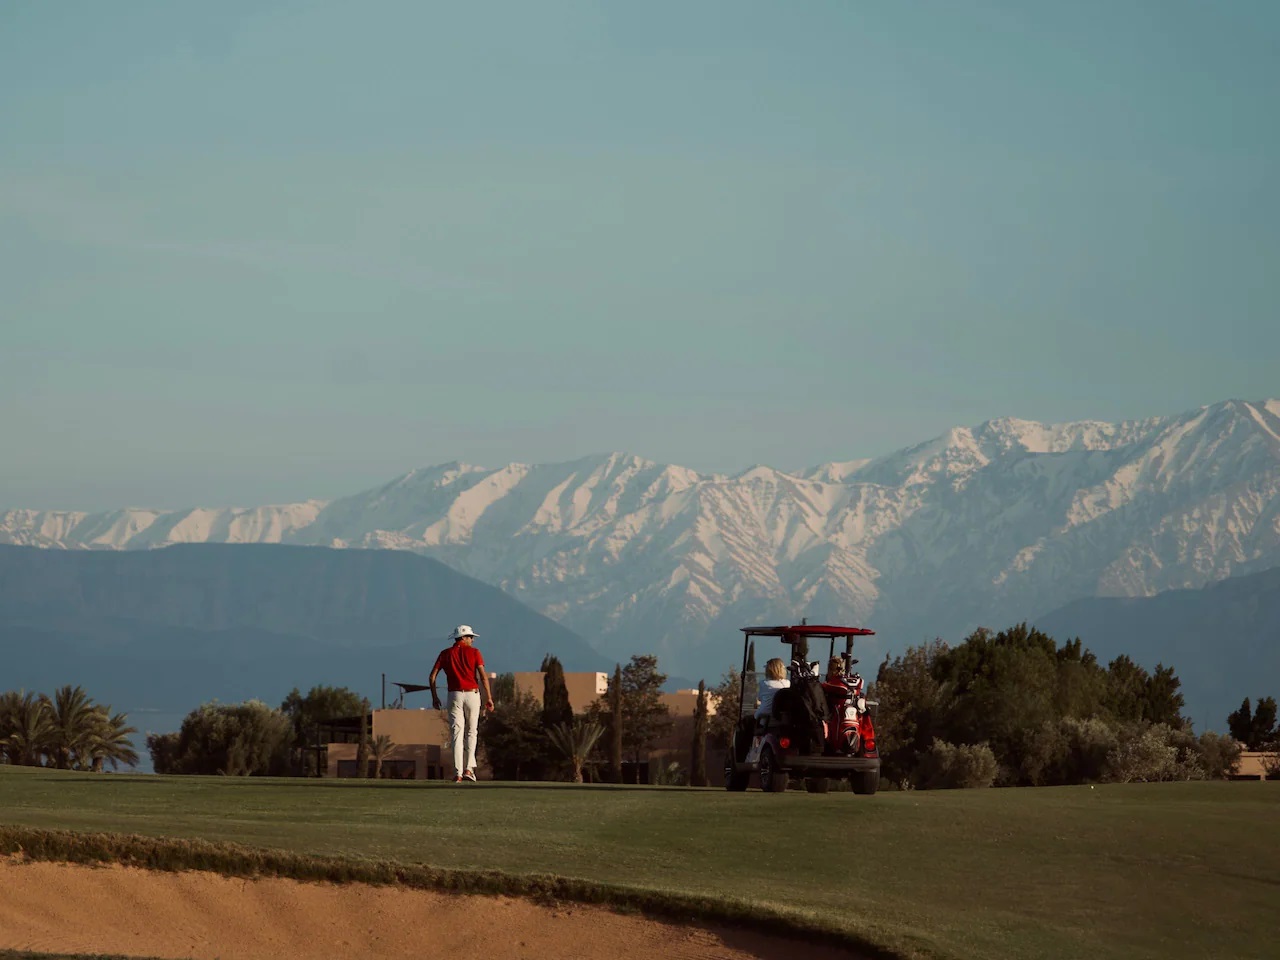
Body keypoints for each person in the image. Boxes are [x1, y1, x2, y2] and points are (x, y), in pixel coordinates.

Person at [429, 624, 495, 783]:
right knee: (472, 731)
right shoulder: (474, 653)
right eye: (471, 637)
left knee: (456, 734)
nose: (472, 640)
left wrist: (434, 696)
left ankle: (458, 773)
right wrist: (489, 698)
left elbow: (432, 677)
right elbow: (483, 676)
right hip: (472, 694)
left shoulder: (445, 654)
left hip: (454, 695)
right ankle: (469, 769)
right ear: (464, 638)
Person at [754, 657, 790, 723]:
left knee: (747, 721)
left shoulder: (764, 683)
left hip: (764, 719)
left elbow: (759, 699)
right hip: (782, 720)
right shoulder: (788, 683)